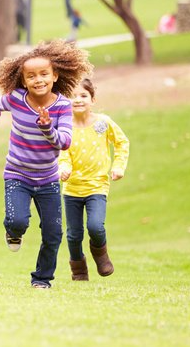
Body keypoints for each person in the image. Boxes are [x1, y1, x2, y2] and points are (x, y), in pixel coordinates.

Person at [0, 40, 92, 289]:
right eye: (31, 76)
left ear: (55, 76)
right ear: (23, 80)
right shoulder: (16, 99)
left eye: (44, 74)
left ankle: (42, 279)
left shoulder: (63, 107)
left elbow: (64, 142)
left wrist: (46, 128)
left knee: (53, 233)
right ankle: (13, 231)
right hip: (17, 175)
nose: (38, 80)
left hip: (48, 180)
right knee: (17, 221)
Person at [58, 78, 129, 281]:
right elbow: (62, 153)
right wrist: (64, 168)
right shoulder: (64, 127)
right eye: (72, 96)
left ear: (93, 99)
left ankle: (100, 254)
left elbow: (122, 142)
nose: (77, 100)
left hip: (97, 186)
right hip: (71, 189)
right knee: (73, 235)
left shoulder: (103, 123)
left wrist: (118, 166)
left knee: (96, 227)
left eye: (83, 95)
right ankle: (79, 269)